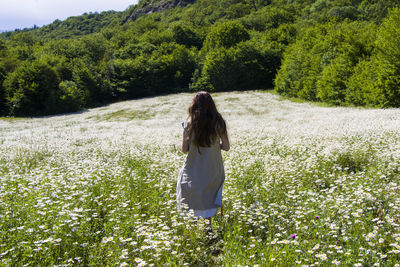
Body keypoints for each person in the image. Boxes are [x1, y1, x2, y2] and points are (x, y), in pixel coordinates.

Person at [177, 91, 230, 221]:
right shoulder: (219, 122)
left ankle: (193, 224)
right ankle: (208, 227)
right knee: (209, 195)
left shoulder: (189, 123)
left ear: (194, 105)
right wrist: (216, 146)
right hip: (213, 167)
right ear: (211, 105)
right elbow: (227, 147)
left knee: (192, 194)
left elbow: (184, 150)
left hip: (193, 167)